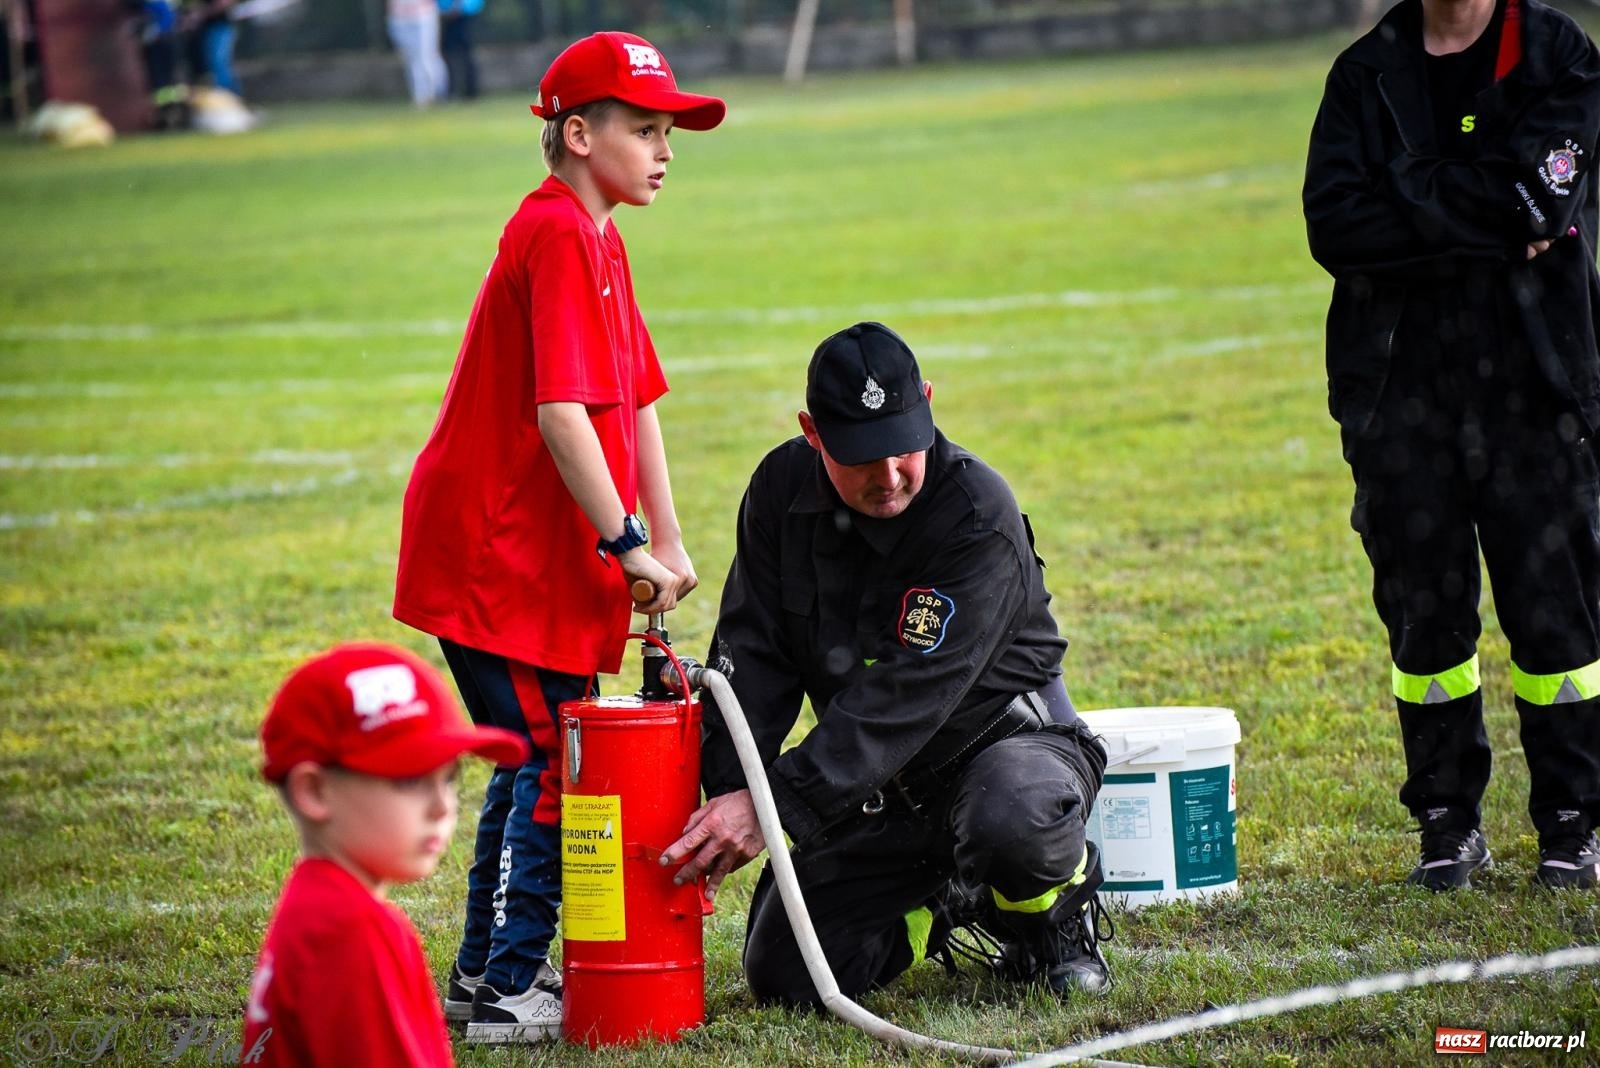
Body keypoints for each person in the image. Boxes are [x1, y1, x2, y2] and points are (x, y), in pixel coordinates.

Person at [392, 31, 723, 1043]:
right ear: (578, 134)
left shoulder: (601, 236)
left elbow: (636, 400)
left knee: (537, 749)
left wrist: (664, 538)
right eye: (645, 128)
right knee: (545, 753)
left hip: (538, 554)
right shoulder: (553, 232)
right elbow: (561, 415)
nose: (664, 149)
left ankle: (485, 974)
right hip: (497, 551)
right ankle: (503, 982)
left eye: (671, 131)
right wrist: (625, 542)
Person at [660, 322, 1113, 1005]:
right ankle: (949, 898)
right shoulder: (781, 491)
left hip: (1006, 748)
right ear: (813, 434)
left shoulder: (976, 513)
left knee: (1008, 821)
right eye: (863, 456)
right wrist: (732, 792)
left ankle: (1051, 921)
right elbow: (753, 655)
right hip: (877, 787)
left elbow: (909, 693)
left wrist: (775, 805)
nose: (890, 474)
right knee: (787, 976)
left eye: (904, 447)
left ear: (927, 402)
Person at [1304, 0, 1600, 890]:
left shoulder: (1557, 55)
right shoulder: (1364, 73)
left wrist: (1406, 189)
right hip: (1399, 397)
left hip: (1535, 390)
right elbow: (1333, 227)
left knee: (1560, 618)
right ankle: (1445, 820)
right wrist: (1495, 219)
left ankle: (1575, 821)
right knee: (1424, 621)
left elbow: (1544, 194)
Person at [242, 642, 529, 1067]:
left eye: (449, 777)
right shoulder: (356, 933)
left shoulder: (315, 905)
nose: (442, 807)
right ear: (314, 792)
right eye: (409, 780)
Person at [388, 0, 447, 108]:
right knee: (410, 59)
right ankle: (420, 95)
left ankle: (432, 94)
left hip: (422, 16)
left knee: (425, 58)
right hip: (400, 18)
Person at [438, 0, 481, 101]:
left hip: (462, 14)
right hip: (448, 14)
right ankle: (453, 91)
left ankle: (470, 91)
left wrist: (455, 8)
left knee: (465, 54)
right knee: (450, 55)